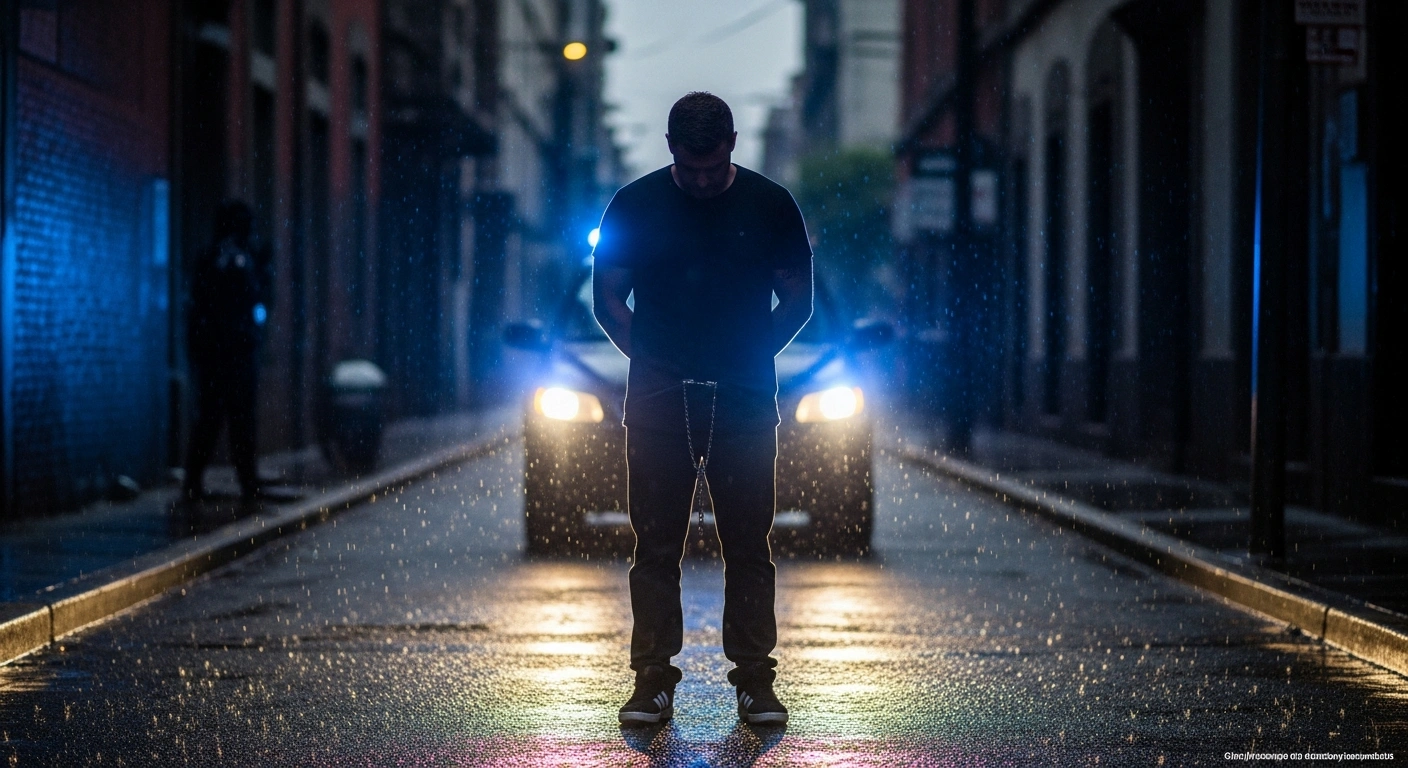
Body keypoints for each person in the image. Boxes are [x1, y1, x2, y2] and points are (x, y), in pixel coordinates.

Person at [592, 92, 813, 726]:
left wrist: (747, 356)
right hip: (659, 397)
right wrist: (654, 360)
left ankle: (754, 682)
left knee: (749, 541)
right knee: (655, 544)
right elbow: (608, 300)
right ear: (671, 151)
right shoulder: (635, 204)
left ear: (733, 145)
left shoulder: (770, 204)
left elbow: (798, 300)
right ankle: (652, 681)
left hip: (743, 396)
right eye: (690, 170)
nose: (703, 180)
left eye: (713, 168)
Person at [182, 200, 272, 504]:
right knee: (237, 421)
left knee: (212, 419)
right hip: (233, 353)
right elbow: (253, 298)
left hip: (216, 353)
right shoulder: (236, 258)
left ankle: (196, 482)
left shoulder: (211, 256)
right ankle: (245, 484)